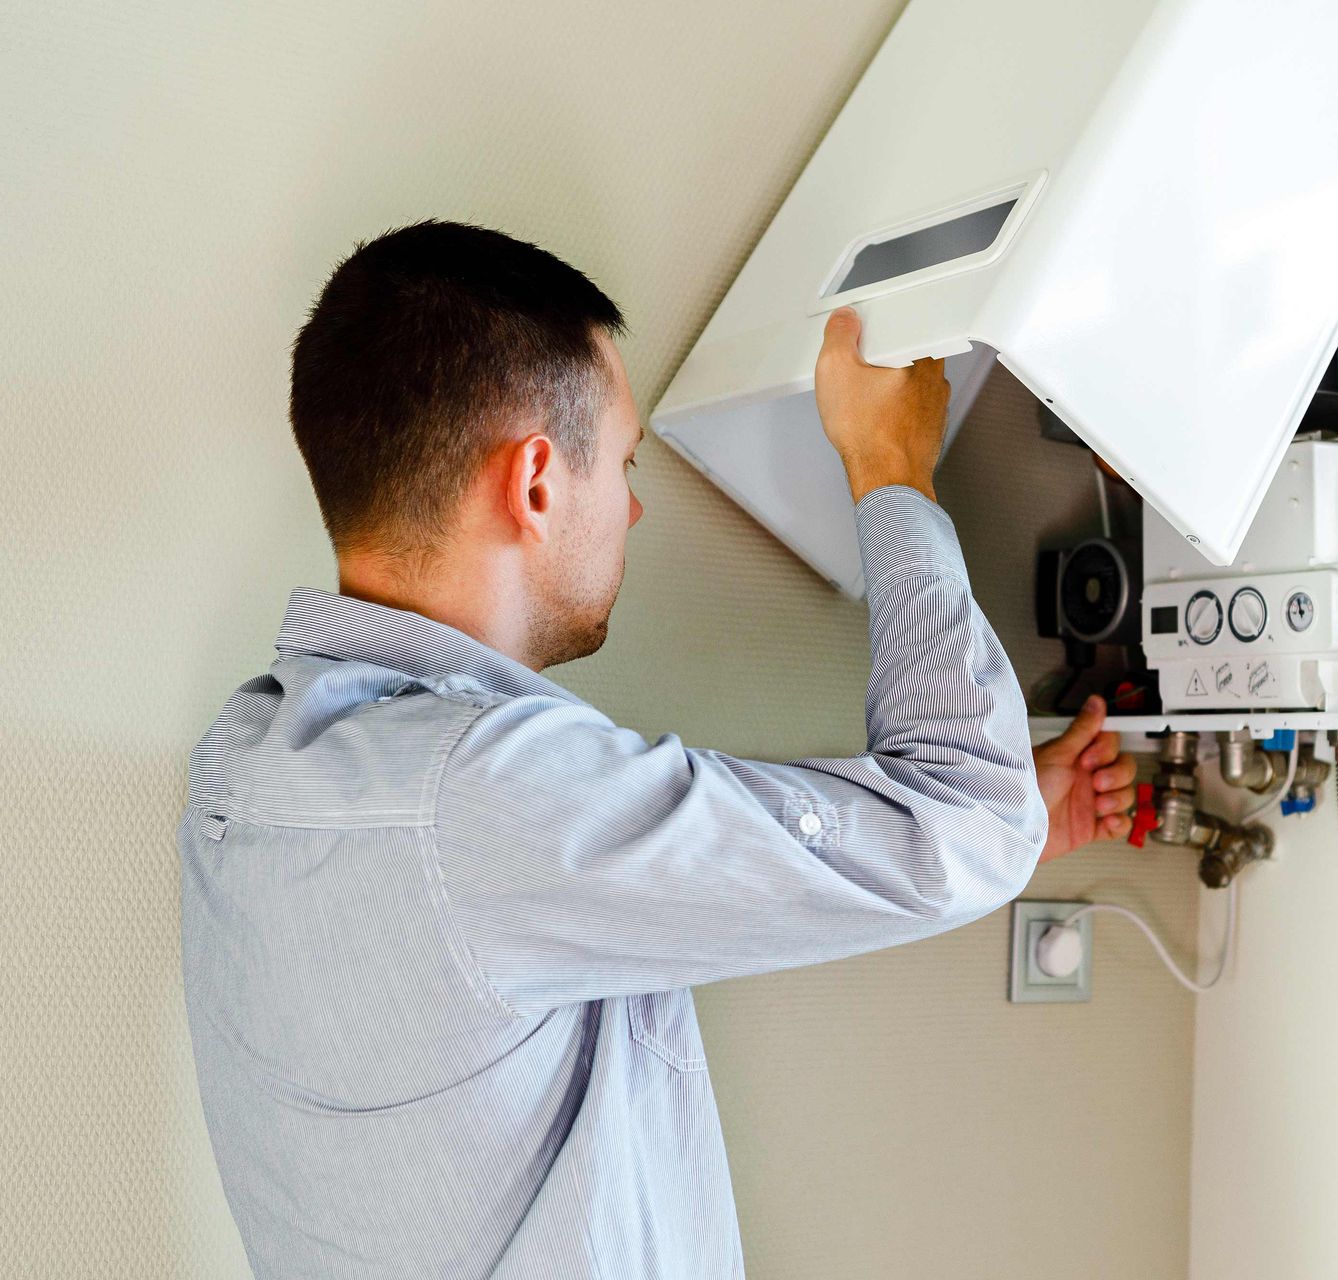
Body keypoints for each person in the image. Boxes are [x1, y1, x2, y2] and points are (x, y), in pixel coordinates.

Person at [178, 220, 1137, 1279]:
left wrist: (946, 830)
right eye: (623, 463)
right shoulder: (483, 799)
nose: (632, 505)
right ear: (536, 481)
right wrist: (891, 468)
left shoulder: (250, 761)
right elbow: (968, 820)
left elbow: (581, 897)